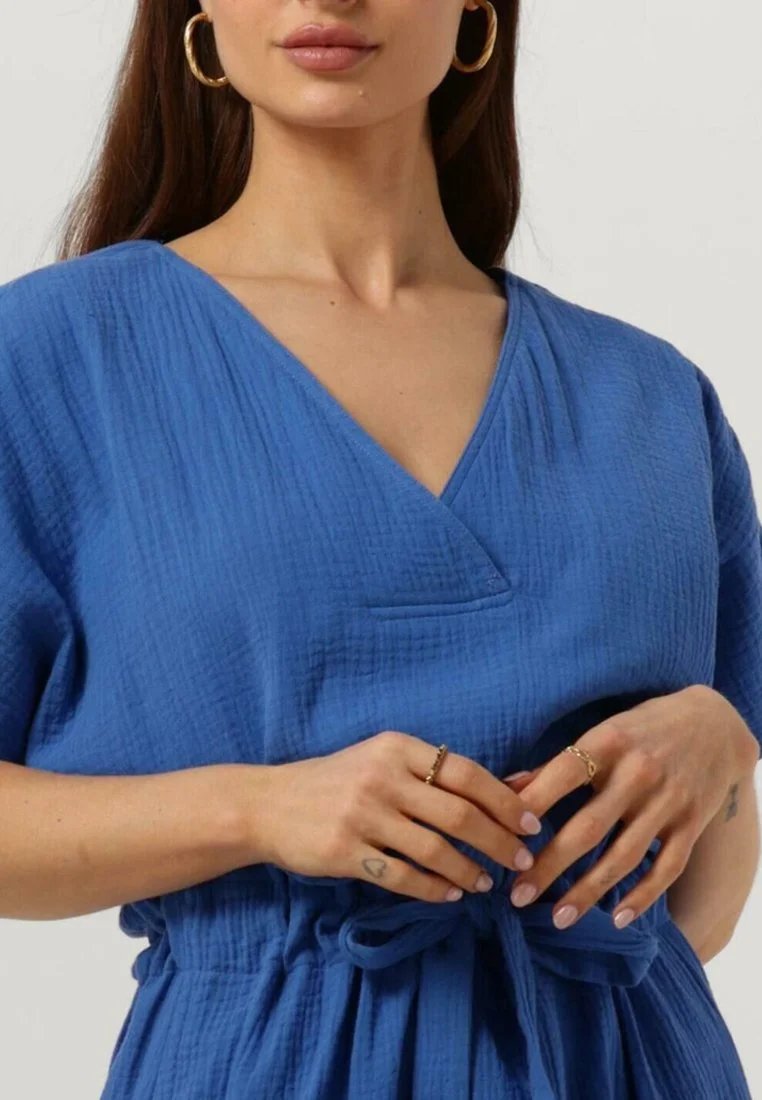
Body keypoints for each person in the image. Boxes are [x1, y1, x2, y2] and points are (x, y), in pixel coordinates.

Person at [1, 2, 760, 1097]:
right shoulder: (52, 361)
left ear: (476, 12)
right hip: (265, 1067)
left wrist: (719, 747)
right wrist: (260, 809)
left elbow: (698, 914)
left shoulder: (651, 398)